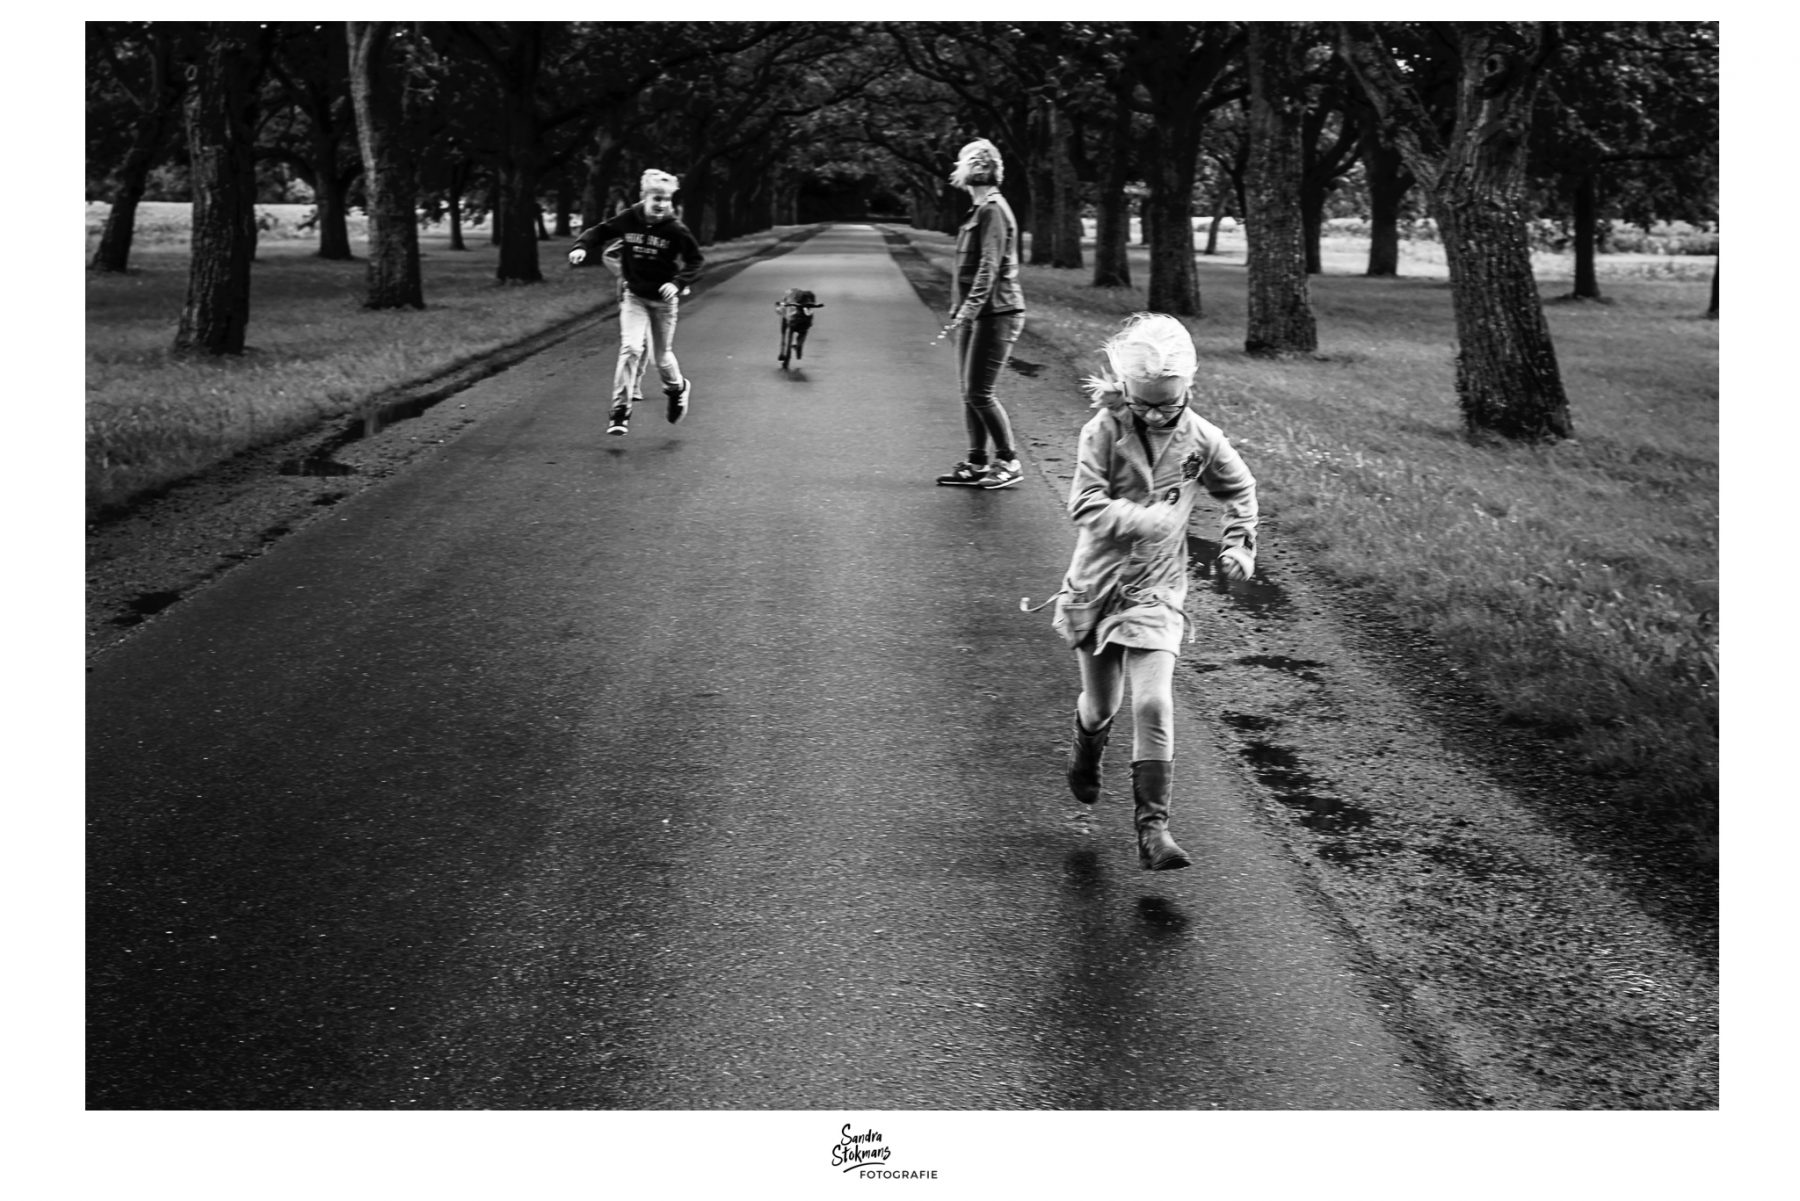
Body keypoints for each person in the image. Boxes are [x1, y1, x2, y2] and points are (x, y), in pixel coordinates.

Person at [1053, 313, 1259, 871]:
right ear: (1125, 389)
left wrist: (1239, 544)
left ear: (1188, 387)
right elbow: (1085, 504)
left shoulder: (1203, 438)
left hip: (1159, 590)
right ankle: (1087, 748)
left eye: (1168, 404)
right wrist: (1140, 519)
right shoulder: (1101, 431)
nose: (1157, 414)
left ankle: (1154, 828)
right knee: (1103, 705)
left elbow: (1240, 489)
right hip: (1098, 588)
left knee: (1152, 700)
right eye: (1143, 404)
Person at [568, 169, 705, 436]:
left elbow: (696, 261)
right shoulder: (629, 218)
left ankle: (677, 389)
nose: (662, 205)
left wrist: (678, 283)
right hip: (635, 297)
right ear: (643, 197)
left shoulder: (676, 229)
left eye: (667, 200)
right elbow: (601, 230)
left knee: (661, 358)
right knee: (630, 348)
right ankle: (620, 411)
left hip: (664, 302)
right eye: (656, 199)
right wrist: (581, 246)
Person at [934, 139, 1027, 490]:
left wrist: (969, 310)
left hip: (997, 312)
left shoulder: (993, 210)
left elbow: (989, 266)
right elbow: (968, 267)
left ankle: (1008, 460)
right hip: (976, 313)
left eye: (968, 163)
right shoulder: (979, 210)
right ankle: (976, 462)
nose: (964, 169)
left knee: (980, 392)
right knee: (969, 391)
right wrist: (961, 308)